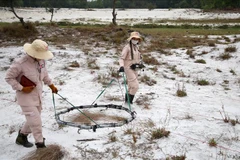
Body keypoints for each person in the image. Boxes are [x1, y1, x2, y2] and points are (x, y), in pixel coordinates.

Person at [5, 39, 58, 148]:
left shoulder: (41, 61)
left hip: (37, 96)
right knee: (36, 122)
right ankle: (40, 144)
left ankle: (22, 137)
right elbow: (8, 77)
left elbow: (45, 74)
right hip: (25, 99)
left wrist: (51, 85)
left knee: (32, 119)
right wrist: (21, 88)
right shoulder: (20, 64)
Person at [118, 31, 144, 104]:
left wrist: (140, 63)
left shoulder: (137, 47)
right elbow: (121, 58)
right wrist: (121, 66)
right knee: (135, 86)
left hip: (135, 68)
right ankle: (130, 102)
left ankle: (127, 102)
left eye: (137, 39)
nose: (135, 40)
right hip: (128, 68)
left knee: (130, 86)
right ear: (131, 39)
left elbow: (138, 58)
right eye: (134, 38)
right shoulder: (127, 48)